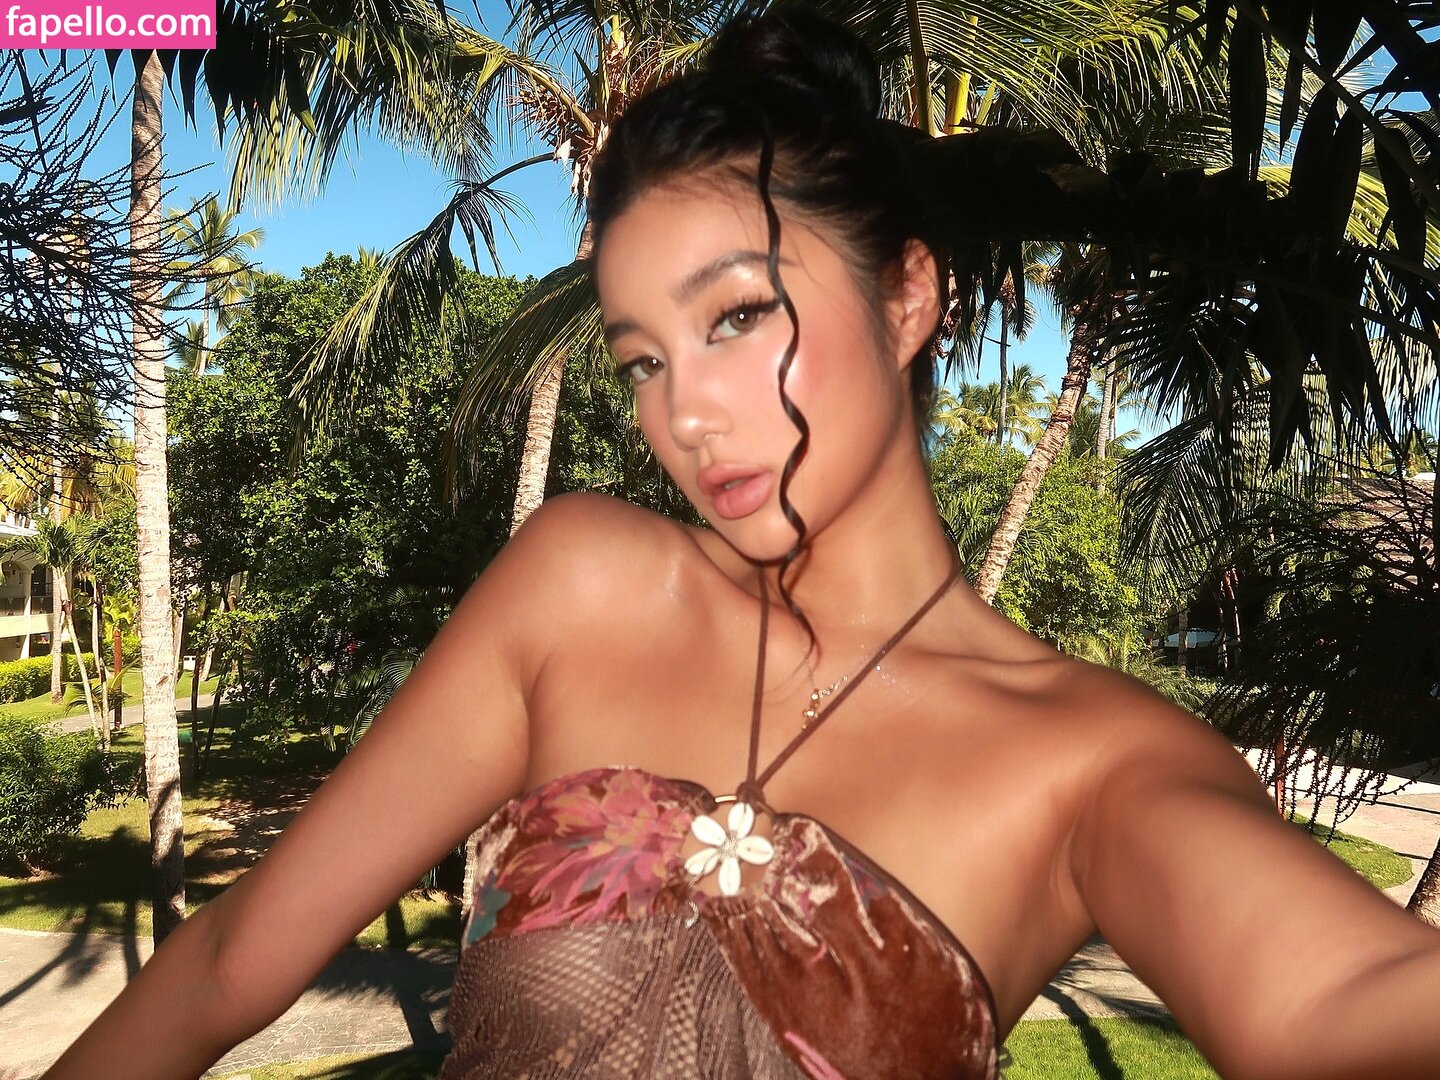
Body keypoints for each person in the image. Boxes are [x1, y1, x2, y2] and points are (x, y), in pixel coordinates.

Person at [44, 10, 1440, 1080]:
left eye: (737, 317)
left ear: (907, 298)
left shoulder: (1092, 762)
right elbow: (226, 966)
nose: (686, 413)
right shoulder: (585, 589)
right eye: (642, 359)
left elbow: (1338, 1004)